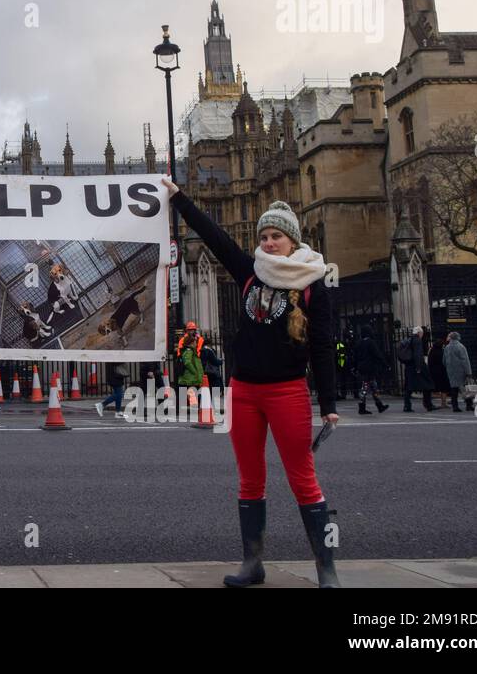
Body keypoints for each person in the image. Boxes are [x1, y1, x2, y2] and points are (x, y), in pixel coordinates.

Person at [163, 179, 340, 588]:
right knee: (250, 477)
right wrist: (178, 198)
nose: (269, 242)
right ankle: (253, 564)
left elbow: (323, 346)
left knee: (302, 477)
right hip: (244, 391)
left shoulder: (312, 283)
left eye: (276, 235)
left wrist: (329, 402)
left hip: (287, 391)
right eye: (264, 236)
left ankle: (325, 569)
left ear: (292, 240)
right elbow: (213, 234)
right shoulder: (249, 271)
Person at [353, 327, 390, 415]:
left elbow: (355, 356)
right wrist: (385, 364)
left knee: (372, 386)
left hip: (361, 367)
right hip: (369, 368)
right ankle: (364, 407)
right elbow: (377, 354)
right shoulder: (370, 343)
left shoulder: (358, 343)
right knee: (366, 387)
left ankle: (378, 405)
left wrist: (355, 367)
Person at [399, 326, 435, 412]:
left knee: (409, 387)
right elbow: (417, 354)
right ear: (419, 333)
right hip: (418, 366)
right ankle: (428, 404)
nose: (422, 335)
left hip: (409, 367)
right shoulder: (417, 340)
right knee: (428, 385)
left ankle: (407, 406)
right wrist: (419, 367)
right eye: (422, 333)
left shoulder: (409, 340)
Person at [442, 331, 474, 413]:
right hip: (461, 371)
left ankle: (455, 406)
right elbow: (465, 360)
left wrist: (448, 368)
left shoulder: (447, 347)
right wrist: (468, 372)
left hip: (451, 371)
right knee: (466, 389)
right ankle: (469, 405)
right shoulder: (461, 347)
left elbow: (444, 361)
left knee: (454, 389)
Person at [175, 322, 205, 405]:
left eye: (193, 330)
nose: (192, 331)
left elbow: (198, 350)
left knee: (189, 389)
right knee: (190, 388)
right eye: (190, 330)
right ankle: (191, 406)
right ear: (187, 330)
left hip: (194, 362)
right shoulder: (185, 341)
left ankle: (189, 405)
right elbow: (183, 356)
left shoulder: (198, 339)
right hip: (190, 365)